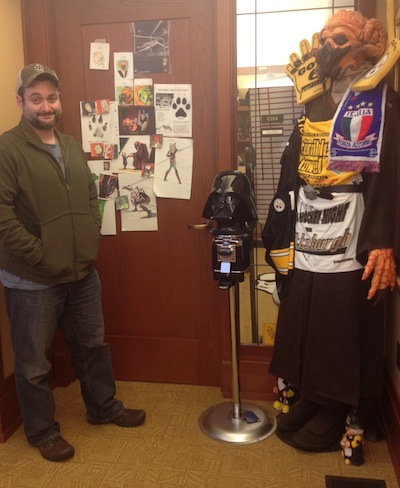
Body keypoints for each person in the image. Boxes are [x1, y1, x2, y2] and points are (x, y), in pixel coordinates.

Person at [262, 10, 400, 453]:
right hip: (311, 230)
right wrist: (280, 229)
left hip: (352, 233)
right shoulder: (315, 101)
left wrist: (382, 241)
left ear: (364, 48)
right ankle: (317, 396)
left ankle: (347, 404)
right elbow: (297, 167)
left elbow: (387, 175)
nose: (325, 46)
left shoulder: (382, 104)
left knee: (342, 323)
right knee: (308, 315)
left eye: (338, 39)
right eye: (323, 38)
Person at [0, 63, 146, 462]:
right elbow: (2, 218)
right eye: (36, 99)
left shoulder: (70, 146)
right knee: (33, 364)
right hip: (32, 280)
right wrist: (41, 255)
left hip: (81, 273)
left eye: (51, 97)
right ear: (21, 102)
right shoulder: (6, 149)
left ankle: (103, 408)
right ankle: (42, 431)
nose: (45, 106)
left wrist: (89, 242)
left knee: (92, 346)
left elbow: (87, 197)